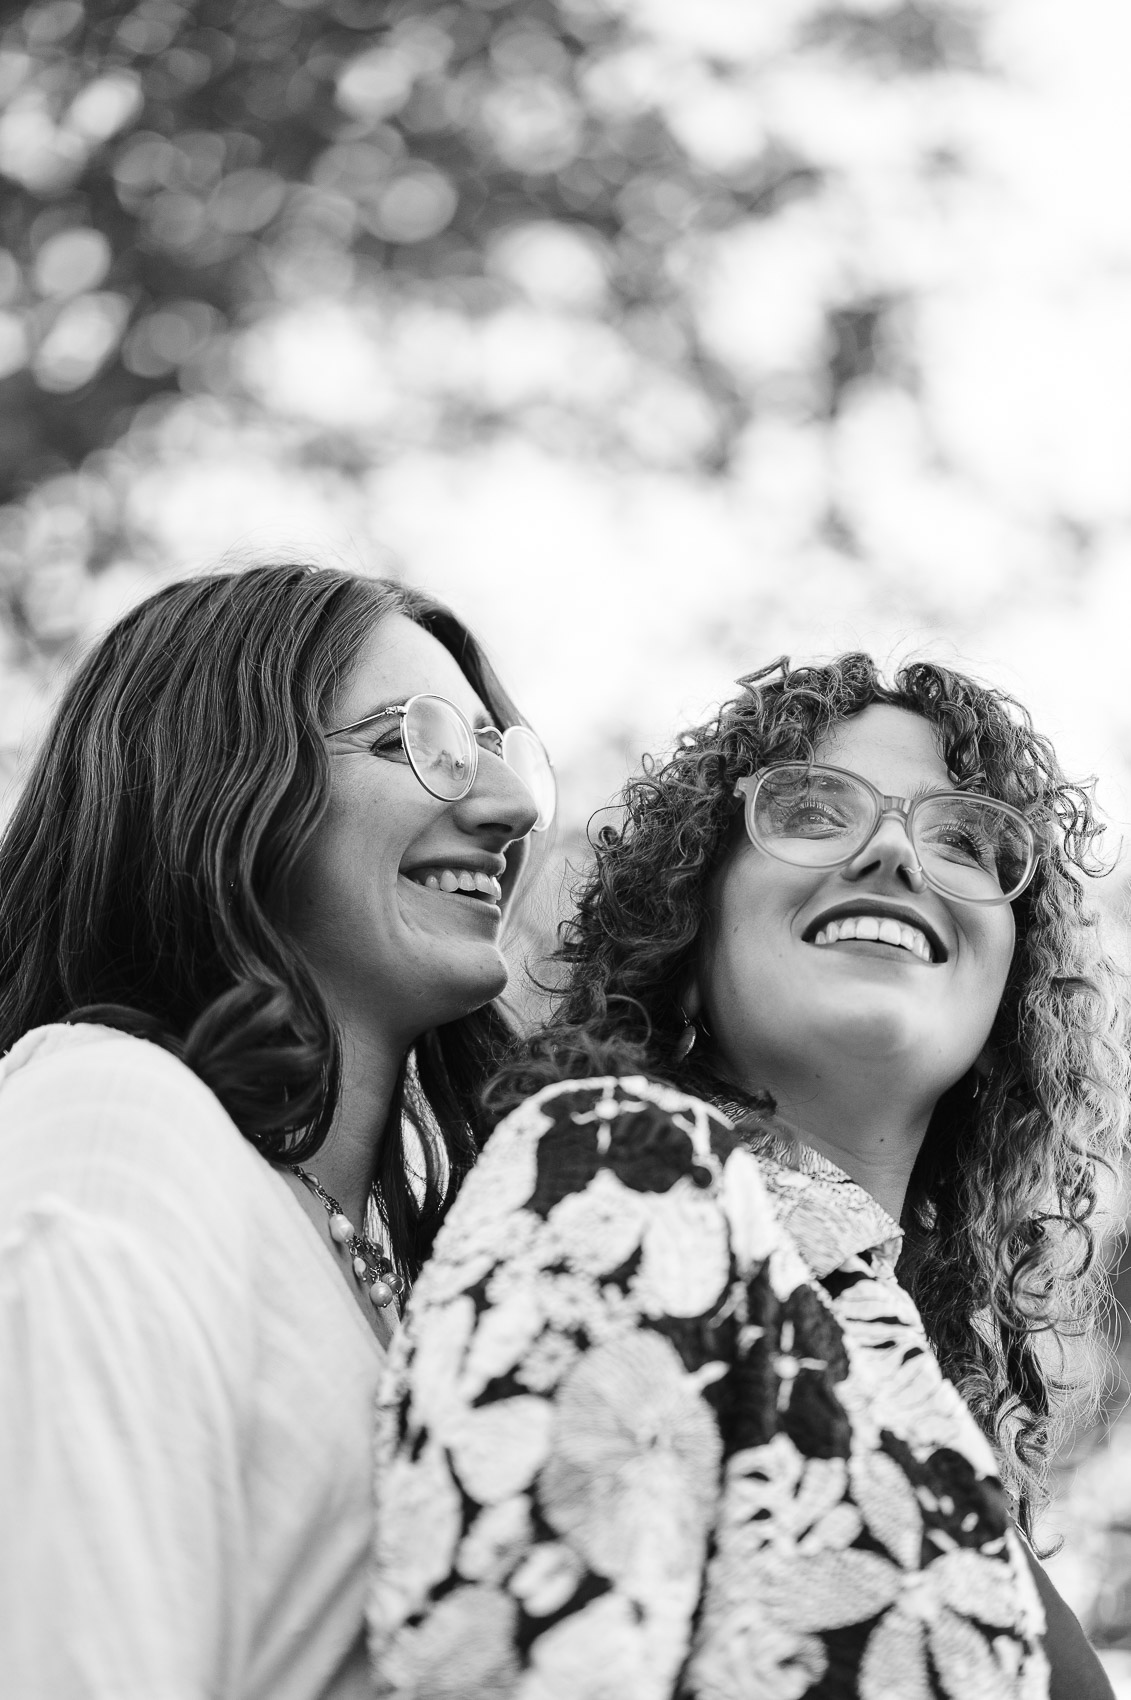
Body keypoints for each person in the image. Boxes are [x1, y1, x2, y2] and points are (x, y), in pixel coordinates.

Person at [370, 653, 1125, 1699]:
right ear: (689, 918)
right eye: (815, 810)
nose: (899, 851)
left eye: (964, 836)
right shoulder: (618, 1168)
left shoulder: (905, 1379)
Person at [0, 561, 554, 1698]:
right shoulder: (119, 1123)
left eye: (502, 749)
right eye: (428, 740)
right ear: (218, 777)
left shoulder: (414, 1277)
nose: (510, 805)